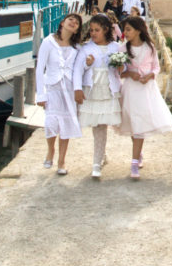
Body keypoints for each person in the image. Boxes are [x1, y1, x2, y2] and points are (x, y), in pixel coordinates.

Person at [116, 16, 172, 179]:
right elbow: (119, 72)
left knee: (140, 122)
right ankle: (138, 153)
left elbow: (156, 67)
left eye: (128, 29)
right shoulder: (123, 49)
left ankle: (134, 162)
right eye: (124, 30)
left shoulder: (149, 47)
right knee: (133, 122)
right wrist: (130, 73)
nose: (125, 33)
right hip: (131, 89)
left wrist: (150, 76)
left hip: (146, 89)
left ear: (138, 30)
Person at [35, 12, 84, 175]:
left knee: (66, 125)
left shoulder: (77, 48)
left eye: (77, 23)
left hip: (69, 90)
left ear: (77, 30)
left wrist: (88, 64)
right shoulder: (48, 42)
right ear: (62, 23)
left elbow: (79, 69)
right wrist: (40, 95)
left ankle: (61, 161)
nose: (73, 22)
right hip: (53, 88)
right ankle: (50, 150)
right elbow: (39, 68)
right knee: (51, 123)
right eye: (71, 19)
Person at [77, 14, 123, 179]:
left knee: (103, 125)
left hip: (109, 89)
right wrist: (87, 64)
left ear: (105, 30)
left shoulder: (115, 47)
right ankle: (98, 159)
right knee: (97, 126)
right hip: (93, 90)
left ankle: (99, 159)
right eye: (91, 30)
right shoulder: (86, 48)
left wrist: (119, 65)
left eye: (97, 30)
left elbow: (121, 70)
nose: (93, 33)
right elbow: (79, 70)